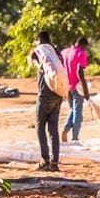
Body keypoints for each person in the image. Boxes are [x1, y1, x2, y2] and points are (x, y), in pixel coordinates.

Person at [29, 31, 66, 172]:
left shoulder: (40, 50)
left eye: (36, 41)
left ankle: (45, 159)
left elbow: (33, 58)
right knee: (53, 129)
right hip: (58, 94)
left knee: (40, 127)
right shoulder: (57, 53)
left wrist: (37, 64)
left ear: (39, 39)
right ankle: (54, 162)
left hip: (44, 94)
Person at [61, 37, 92, 143]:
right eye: (85, 47)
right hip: (76, 87)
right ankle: (75, 137)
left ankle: (65, 129)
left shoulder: (64, 52)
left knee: (73, 110)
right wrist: (85, 90)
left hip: (66, 86)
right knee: (78, 112)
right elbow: (80, 72)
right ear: (83, 45)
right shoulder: (80, 54)